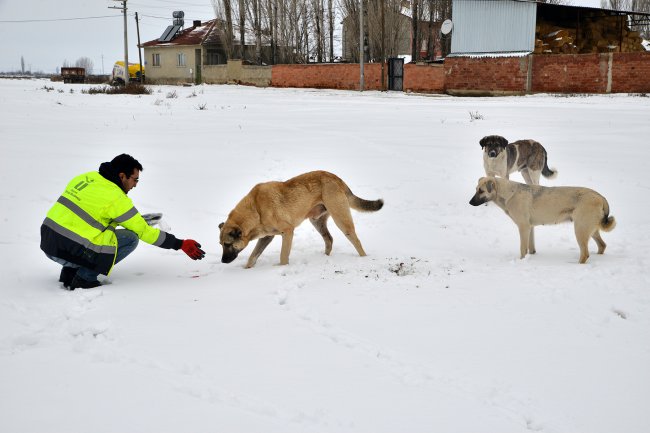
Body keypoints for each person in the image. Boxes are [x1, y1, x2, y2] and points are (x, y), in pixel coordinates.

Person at [40, 154, 205, 290]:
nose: (135, 185)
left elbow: (84, 216)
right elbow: (143, 232)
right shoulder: (116, 198)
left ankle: (69, 273)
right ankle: (84, 278)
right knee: (130, 238)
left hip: (49, 241)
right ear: (121, 176)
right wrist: (179, 244)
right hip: (68, 246)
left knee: (88, 232)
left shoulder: (86, 178)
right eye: (135, 180)